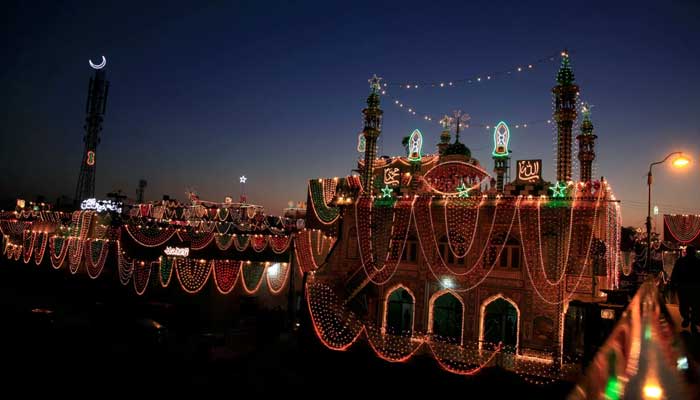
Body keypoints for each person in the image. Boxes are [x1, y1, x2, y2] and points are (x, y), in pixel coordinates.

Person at [670, 245, 700, 329]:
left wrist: (673, 285)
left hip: (683, 287)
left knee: (684, 305)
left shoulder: (680, 261)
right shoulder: (698, 262)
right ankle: (693, 322)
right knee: (695, 306)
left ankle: (686, 318)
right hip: (695, 287)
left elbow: (674, 273)